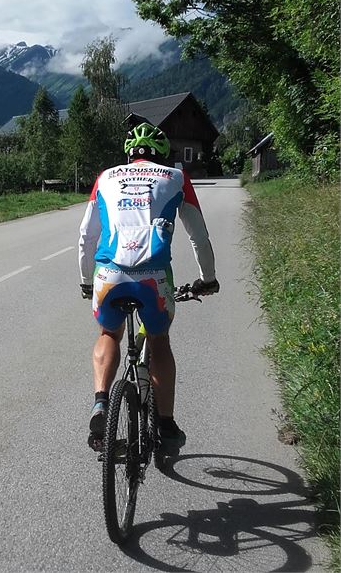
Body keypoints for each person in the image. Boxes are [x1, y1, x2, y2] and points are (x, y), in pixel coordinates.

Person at [78, 121, 219, 454]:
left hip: (108, 276)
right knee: (159, 342)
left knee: (108, 335)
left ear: (129, 155)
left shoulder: (105, 178)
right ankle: (166, 424)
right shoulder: (176, 178)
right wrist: (208, 279)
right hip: (152, 278)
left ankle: (100, 402)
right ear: (162, 154)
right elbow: (199, 236)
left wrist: (86, 282)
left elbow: (86, 237)